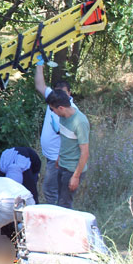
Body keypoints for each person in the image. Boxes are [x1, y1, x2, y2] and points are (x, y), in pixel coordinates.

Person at [33, 59, 77, 205]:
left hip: (58, 158)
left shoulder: (72, 111)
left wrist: (61, 156)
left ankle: (57, 215)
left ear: (69, 93)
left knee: (50, 190)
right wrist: (39, 64)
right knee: (55, 189)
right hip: (50, 156)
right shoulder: (54, 99)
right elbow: (40, 85)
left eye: (64, 93)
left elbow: (74, 139)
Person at [45, 90, 89, 209]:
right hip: (62, 165)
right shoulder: (62, 117)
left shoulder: (80, 122)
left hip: (72, 169)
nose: (52, 112)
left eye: (52, 109)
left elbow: (85, 152)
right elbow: (65, 140)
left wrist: (76, 176)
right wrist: (59, 157)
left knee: (64, 205)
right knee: (60, 199)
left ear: (61, 108)